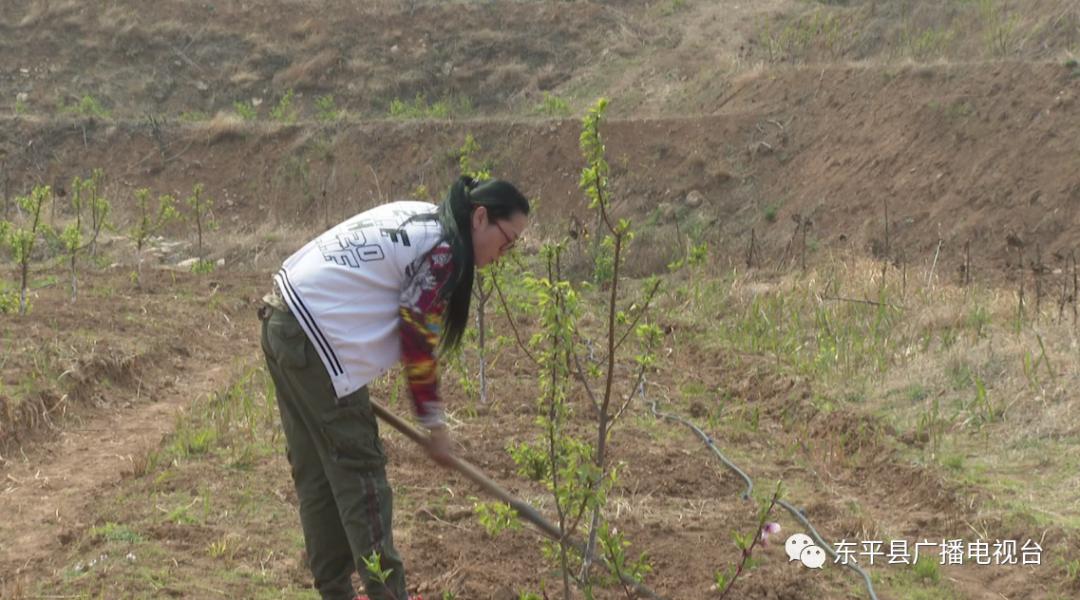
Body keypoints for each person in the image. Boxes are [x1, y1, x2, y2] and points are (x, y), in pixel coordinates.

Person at [259, 176, 530, 600]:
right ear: (481, 217)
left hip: (283, 321)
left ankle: (335, 592)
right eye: (507, 241)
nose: (503, 254)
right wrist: (434, 423)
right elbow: (417, 335)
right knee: (361, 474)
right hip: (316, 341)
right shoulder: (444, 252)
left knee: (317, 475)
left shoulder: (422, 219)